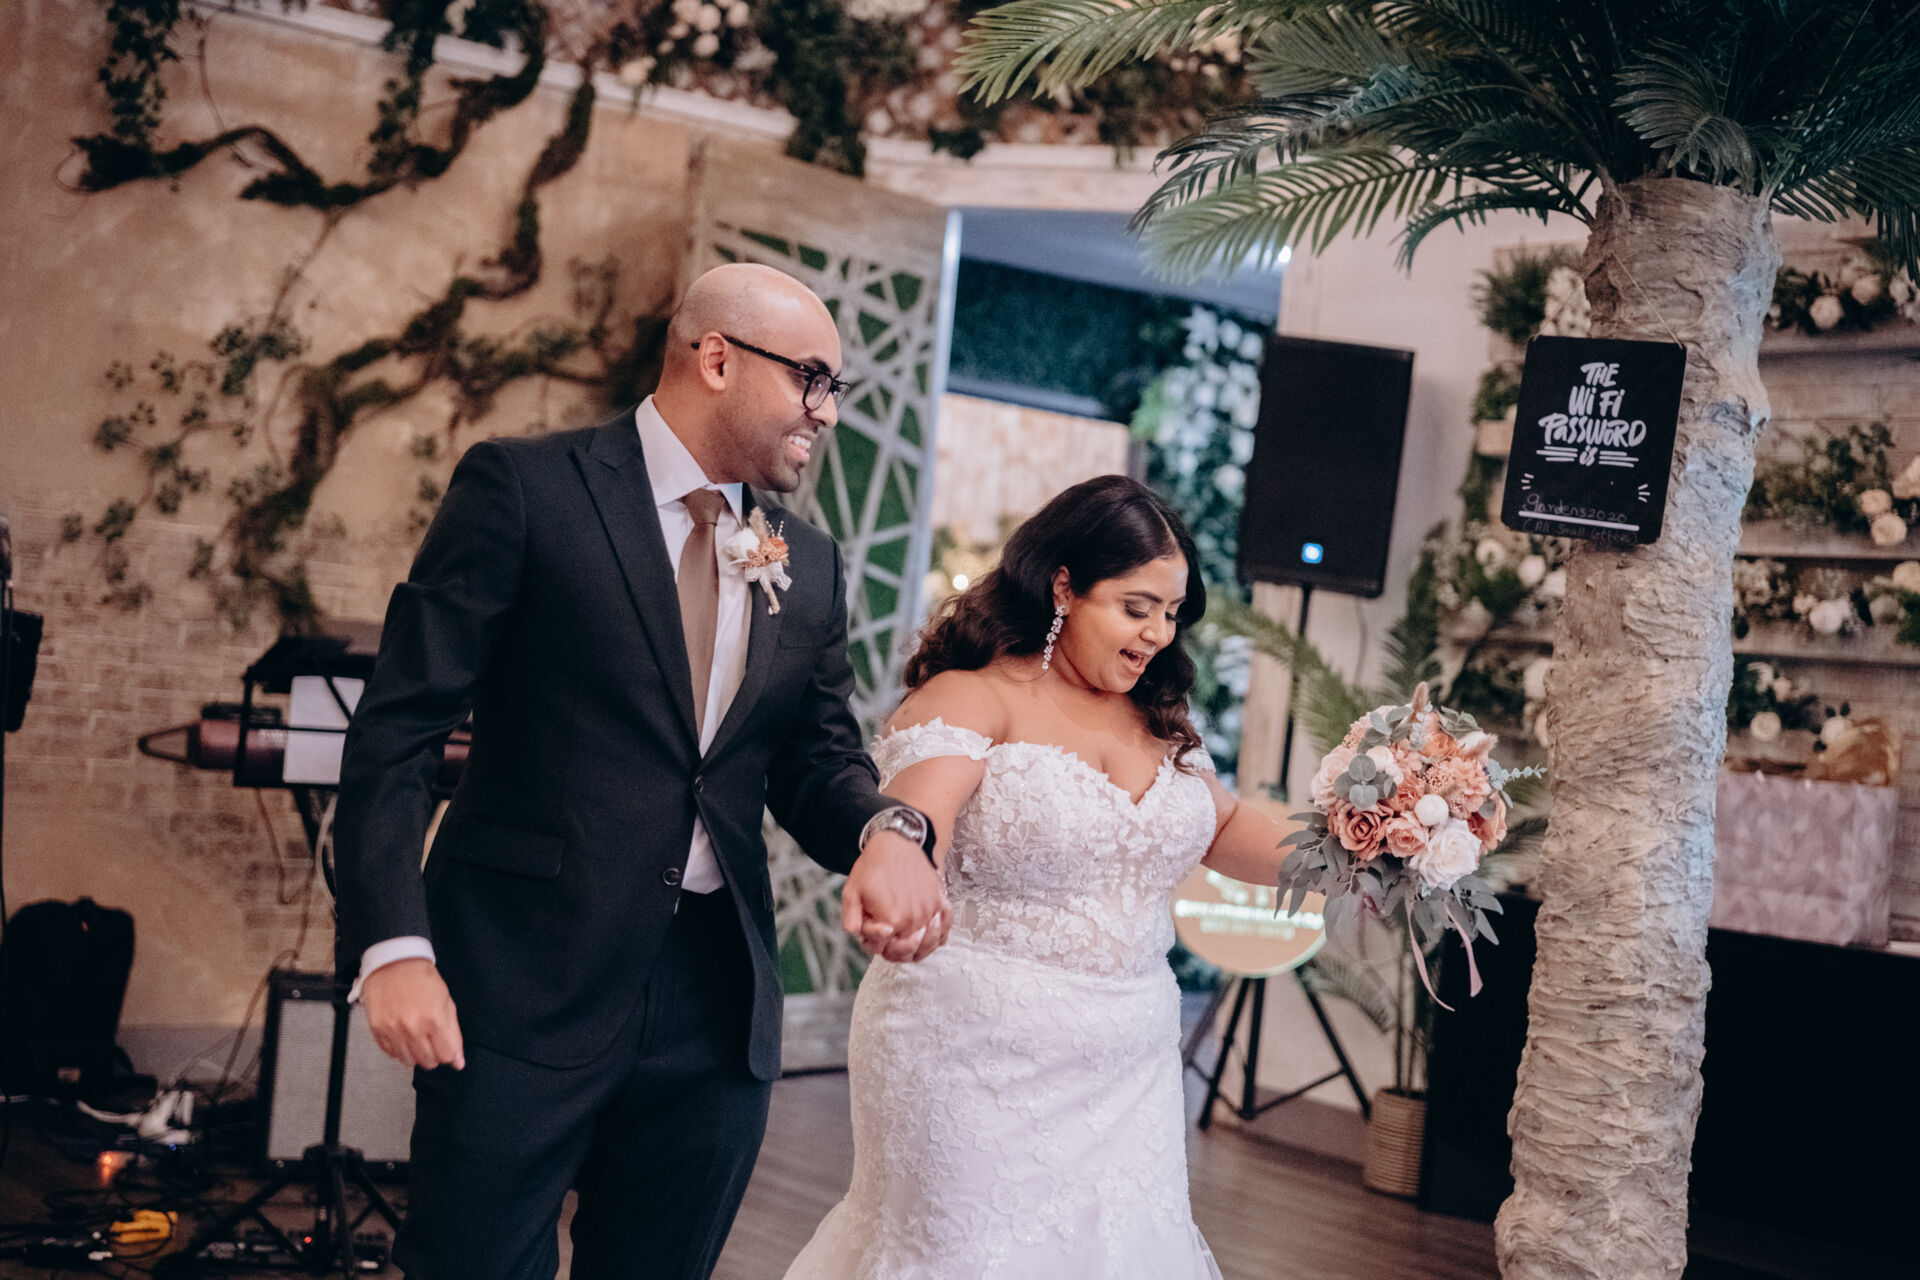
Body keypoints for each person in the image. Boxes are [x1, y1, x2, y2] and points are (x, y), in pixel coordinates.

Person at [333, 262, 951, 1280]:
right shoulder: (527, 489)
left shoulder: (808, 560)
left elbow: (816, 760)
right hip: (519, 984)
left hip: (712, 1011)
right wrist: (394, 944)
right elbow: (397, 732)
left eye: (835, 387)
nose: (828, 412)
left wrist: (889, 829)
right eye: (811, 378)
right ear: (716, 358)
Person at [787, 475, 1301, 1279]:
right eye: (1136, 607)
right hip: (971, 1054)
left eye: (1172, 613)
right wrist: (899, 861)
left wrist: (1360, 846)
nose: (1158, 634)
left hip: (1130, 1066)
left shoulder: (1161, 720)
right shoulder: (973, 696)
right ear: (1064, 585)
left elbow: (1226, 827)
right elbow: (920, 812)